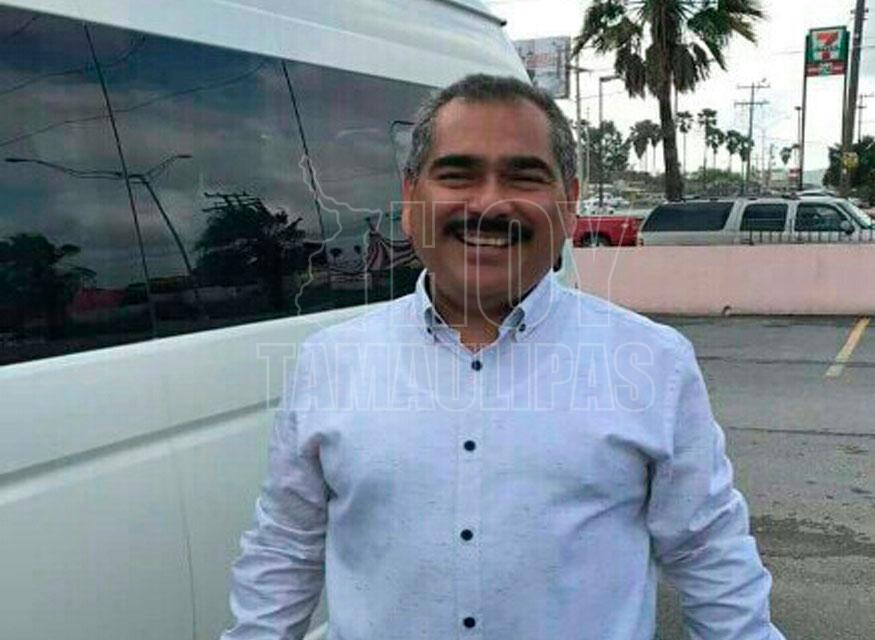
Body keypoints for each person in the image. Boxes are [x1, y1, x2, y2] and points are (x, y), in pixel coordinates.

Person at [222, 74, 784, 640]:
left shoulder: (652, 362)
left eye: (523, 176)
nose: (489, 203)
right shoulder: (330, 361)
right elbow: (284, 550)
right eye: (457, 174)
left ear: (569, 203)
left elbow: (709, 554)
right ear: (411, 198)